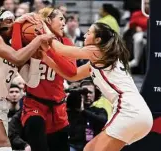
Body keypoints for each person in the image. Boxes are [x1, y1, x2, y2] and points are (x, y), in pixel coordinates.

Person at [42, 22, 153, 151]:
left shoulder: (98, 51)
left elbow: (62, 50)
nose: (84, 35)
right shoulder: (99, 59)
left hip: (128, 110)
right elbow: (72, 76)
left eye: (89, 33)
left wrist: (45, 27)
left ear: (98, 40)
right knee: (89, 149)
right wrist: (47, 59)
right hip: (139, 114)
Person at [0, 10, 54, 151]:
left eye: (14, 20)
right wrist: (38, 40)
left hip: (1, 106)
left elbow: (32, 82)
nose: (14, 23)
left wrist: (36, 59)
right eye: (9, 20)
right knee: (4, 148)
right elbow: (17, 58)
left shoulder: (16, 48)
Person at [20, 7, 77, 151]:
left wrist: (49, 51)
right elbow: (16, 55)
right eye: (61, 19)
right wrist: (16, 25)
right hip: (35, 105)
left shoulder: (67, 43)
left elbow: (71, 72)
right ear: (48, 21)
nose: (64, 23)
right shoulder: (31, 42)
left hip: (58, 109)